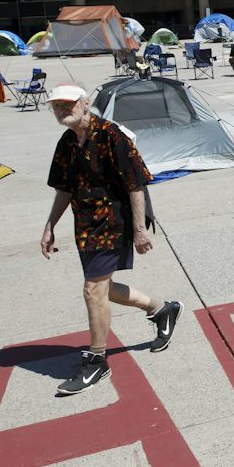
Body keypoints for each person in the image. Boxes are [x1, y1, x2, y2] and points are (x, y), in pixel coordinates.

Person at [40, 84, 182, 396]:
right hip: (86, 225)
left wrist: (139, 230)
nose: (62, 110)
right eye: (56, 106)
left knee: (92, 291)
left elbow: (135, 184)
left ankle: (97, 359)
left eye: (68, 104)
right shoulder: (67, 142)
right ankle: (162, 309)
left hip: (114, 222)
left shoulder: (110, 134)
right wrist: (50, 226)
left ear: (85, 103)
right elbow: (63, 188)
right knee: (101, 289)